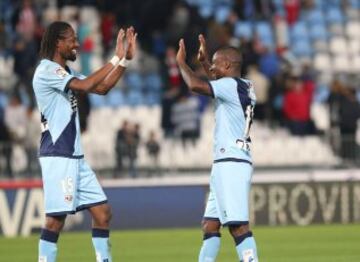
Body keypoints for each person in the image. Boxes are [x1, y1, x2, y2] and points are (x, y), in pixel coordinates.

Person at [32, 21, 136, 262]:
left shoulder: (65, 73)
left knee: (102, 213)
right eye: (72, 39)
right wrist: (114, 57)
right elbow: (87, 85)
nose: (77, 44)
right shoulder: (46, 70)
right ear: (58, 43)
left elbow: (101, 88)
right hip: (58, 155)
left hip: (75, 157)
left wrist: (125, 61)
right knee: (55, 221)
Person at [176, 34, 259, 262]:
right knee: (210, 225)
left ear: (227, 65)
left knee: (238, 227)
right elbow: (217, 81)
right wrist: (205, 61)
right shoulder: (245, 86)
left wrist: (181, 62)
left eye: (214, 63)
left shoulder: (228, 86)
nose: (211, 67)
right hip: (230, 161)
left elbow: (194, 84)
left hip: (230, 163)